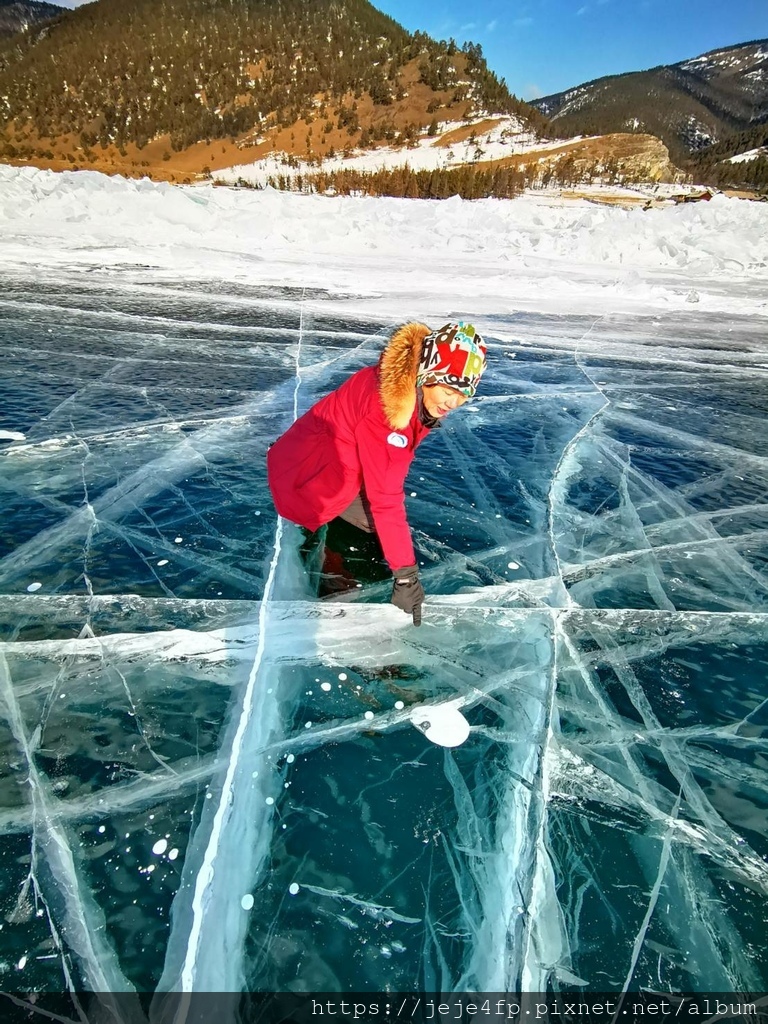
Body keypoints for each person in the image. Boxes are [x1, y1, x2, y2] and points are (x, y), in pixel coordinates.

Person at [267, 321, 487, 625]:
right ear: (428, 373)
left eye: (465, 392)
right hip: (309, 480)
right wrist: (406, 578)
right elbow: (386, 498)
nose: (454, 401)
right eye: (449, 387)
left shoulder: (400, 381)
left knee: (370, 527)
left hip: (310, 457)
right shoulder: (389, 412)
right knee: (368, 543)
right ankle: (333, 600)